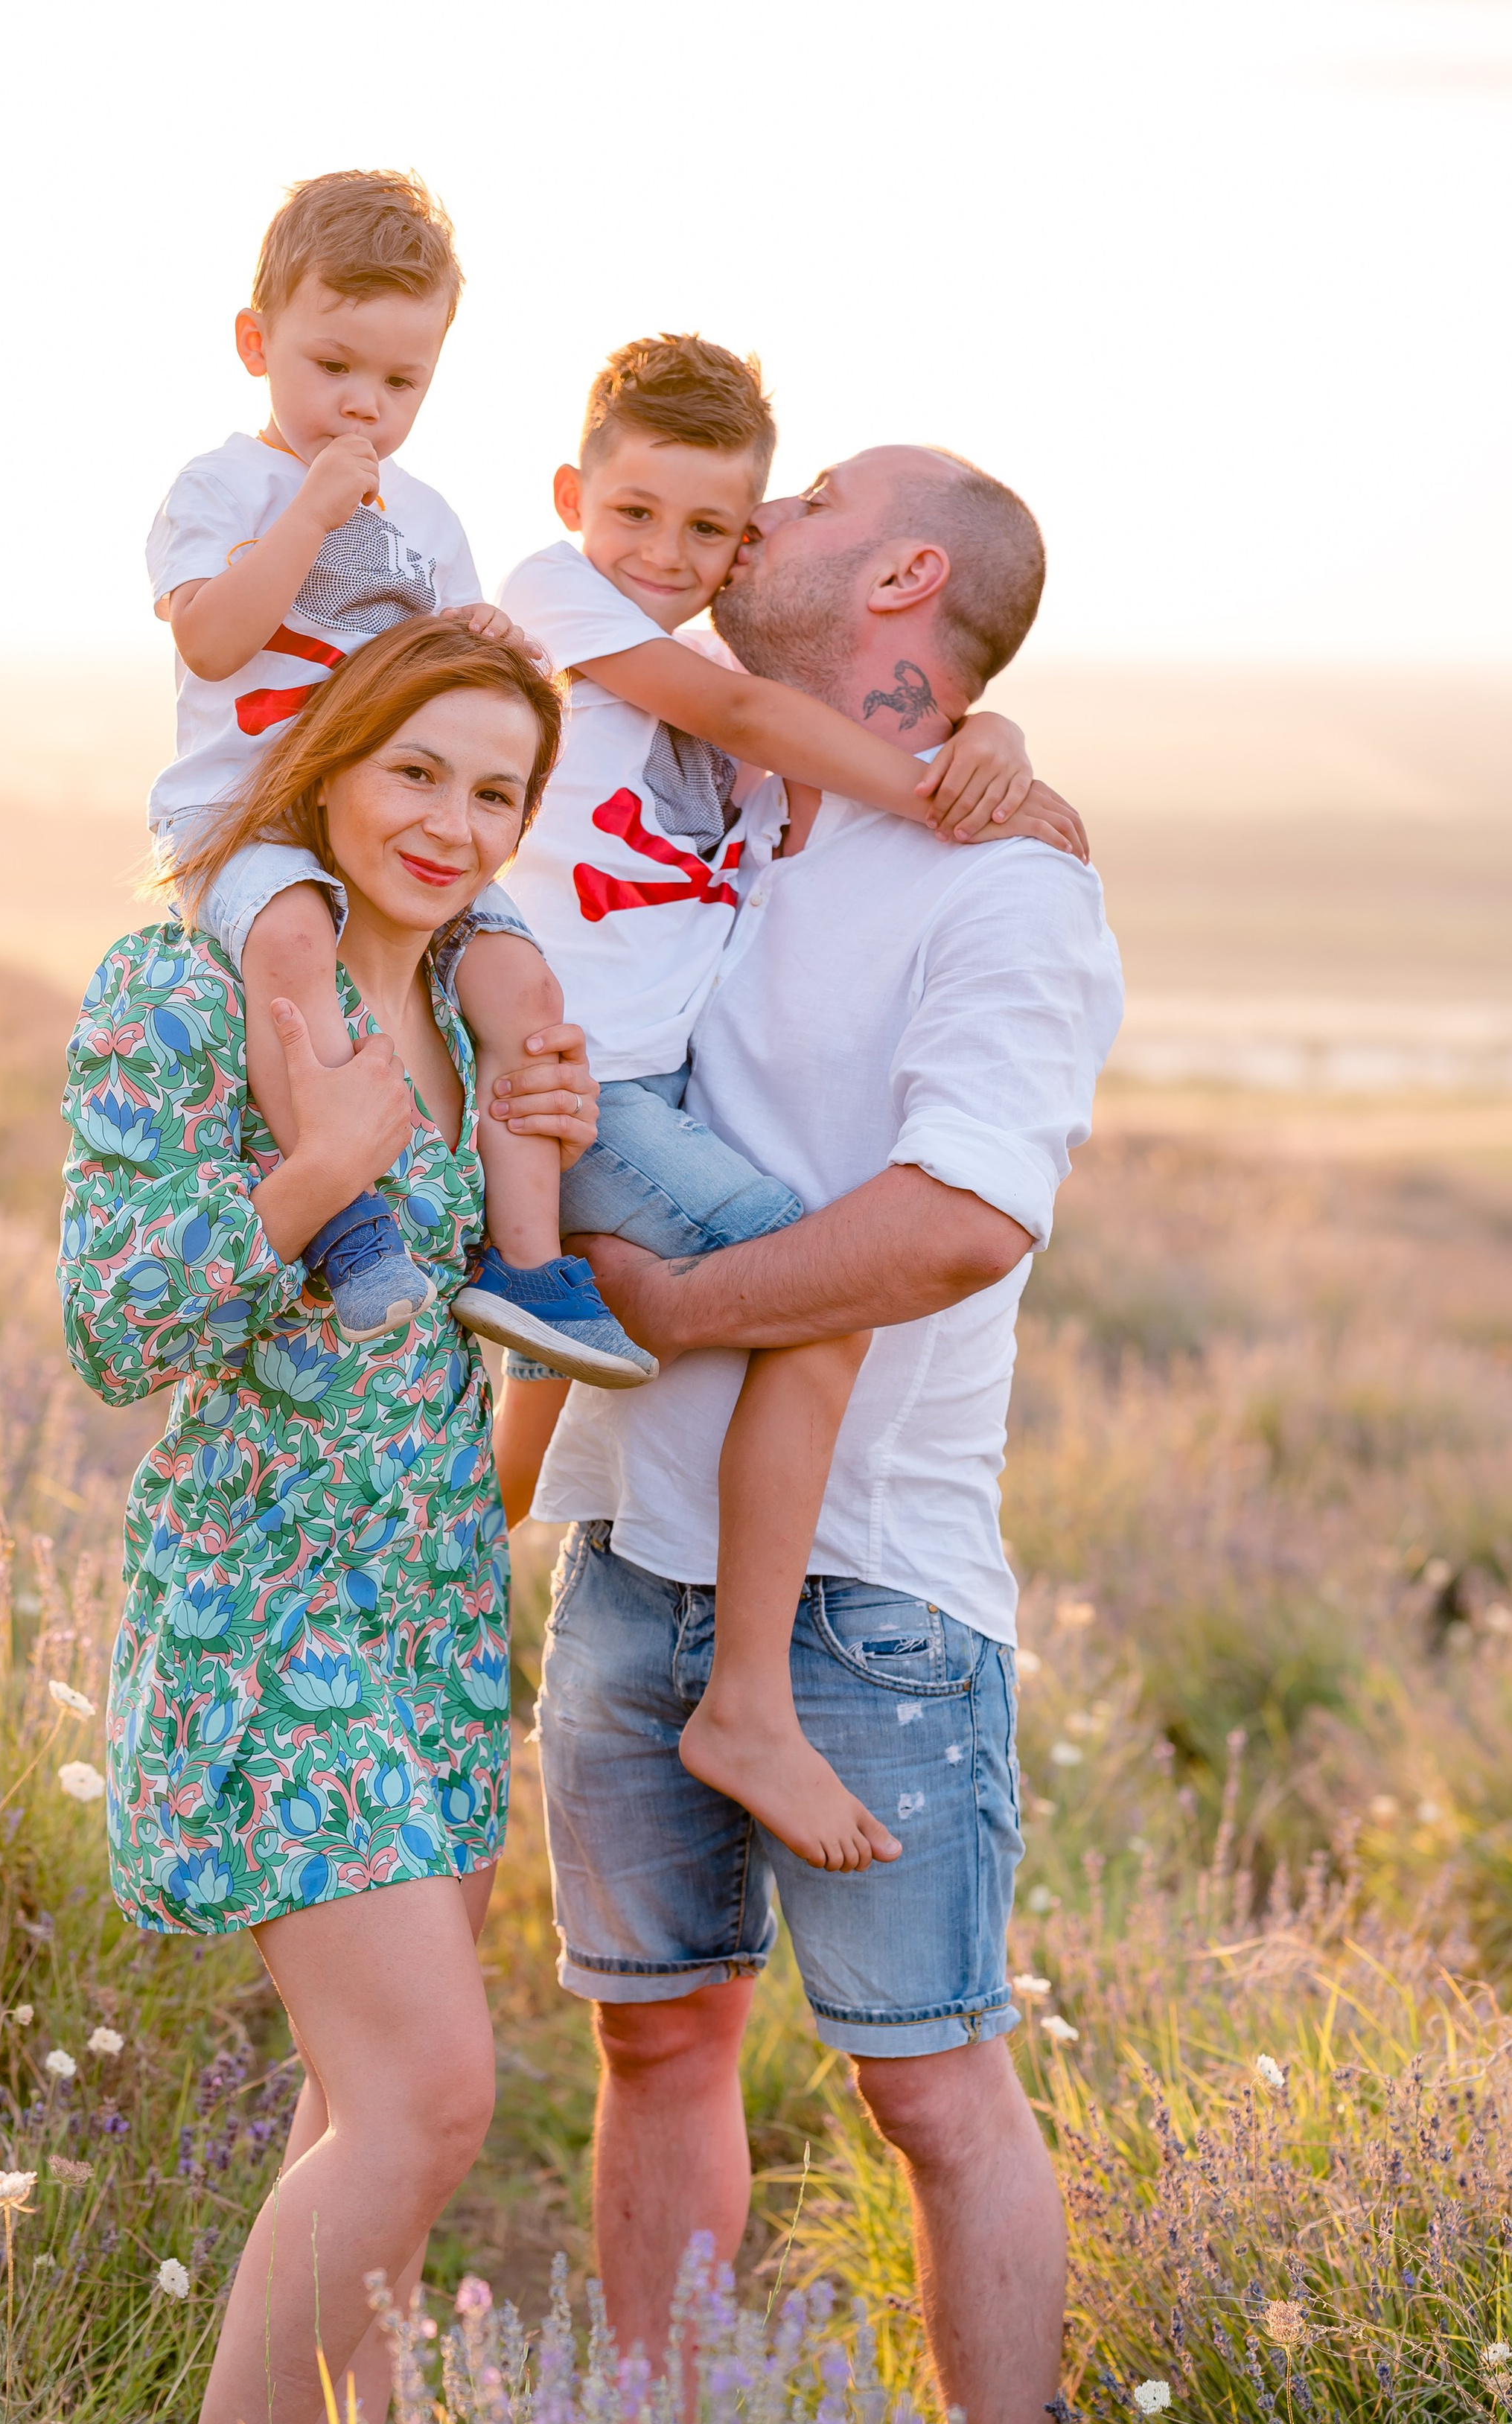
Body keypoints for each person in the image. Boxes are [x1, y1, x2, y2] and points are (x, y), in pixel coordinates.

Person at [528, 446, 1125, 2424]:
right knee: (655, 2040)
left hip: (873, 1583)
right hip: (631, 1554)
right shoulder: (720, 800)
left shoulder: (1010, 882)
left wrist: (684, 1313)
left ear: (909, 570)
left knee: (935, 2094)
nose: (752, 523)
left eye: (807, 500)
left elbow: (963, 1214)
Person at [60, 619, 596, 2424]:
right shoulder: (180, 993)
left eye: (499, 794)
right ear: (327, 767)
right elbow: (121, 1330)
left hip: (438, 1598)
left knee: (362, 2107)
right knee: (430, 2099)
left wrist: (542, 1171)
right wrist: (322, 1174)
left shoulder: (483, 1007)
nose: (455, 824)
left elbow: (517, 1337)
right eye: (421, 773)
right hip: (264, 1596)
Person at [481, 334, 1086, 1875]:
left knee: (594, 1333)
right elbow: (763, 721)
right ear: (574, 499)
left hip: (871, 1575)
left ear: (900, 574)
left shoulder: (762, 783)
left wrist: (985, 751)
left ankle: (472, 1587)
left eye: (769, 509)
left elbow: (781, 737)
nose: (717, 547)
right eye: (650, 518)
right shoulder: (577, 610)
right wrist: (948, 778)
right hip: (588, 1105)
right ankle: (717, 1687)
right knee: (811, 1287)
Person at [147, 166, 651, 1384]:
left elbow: (448, 664)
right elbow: (212, 639)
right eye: (333, 369)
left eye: (400, 382)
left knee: (522, 981)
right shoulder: (220, 490)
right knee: (289, 948)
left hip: (389, 821)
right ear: (256, 344)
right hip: (251, 824)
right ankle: (345, 1219)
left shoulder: (426, 513)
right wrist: (309, 518)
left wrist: (500, 649)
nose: (363, 407)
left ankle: (526, 1267)